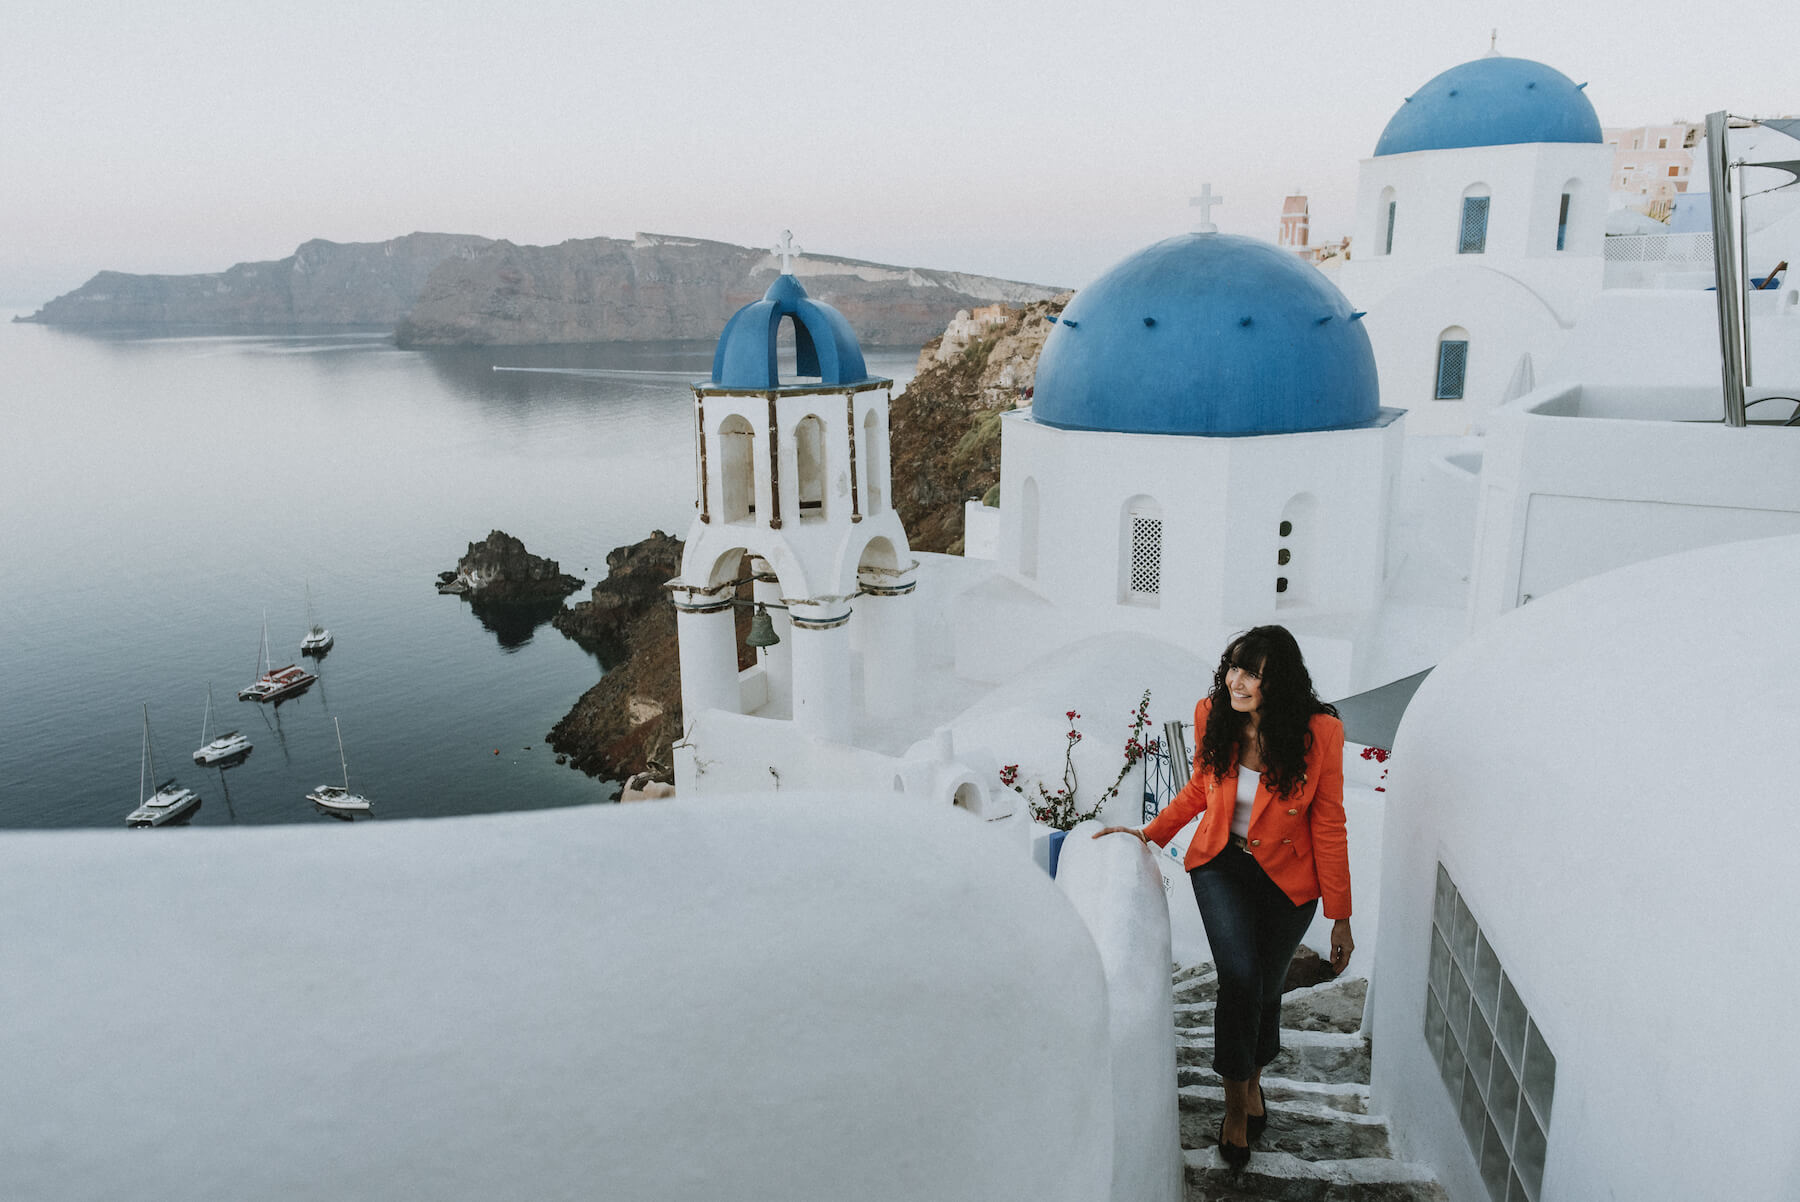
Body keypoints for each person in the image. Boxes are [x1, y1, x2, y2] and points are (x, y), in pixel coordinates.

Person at [1094, 625, 1352, 1169]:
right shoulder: (1212, 714)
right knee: (1239, 978)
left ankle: (1253, 1080)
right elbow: (1199, 787)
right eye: (1234, 667)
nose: (1237, 681)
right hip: (1222, 866)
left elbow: (1329, 823)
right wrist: (1149, 834)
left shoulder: (1320, 733)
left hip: (1289, 881)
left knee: (1266, 988)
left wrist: (1340, 916)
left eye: (1252, 673)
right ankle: (1235, 1108)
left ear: (1279, 682)